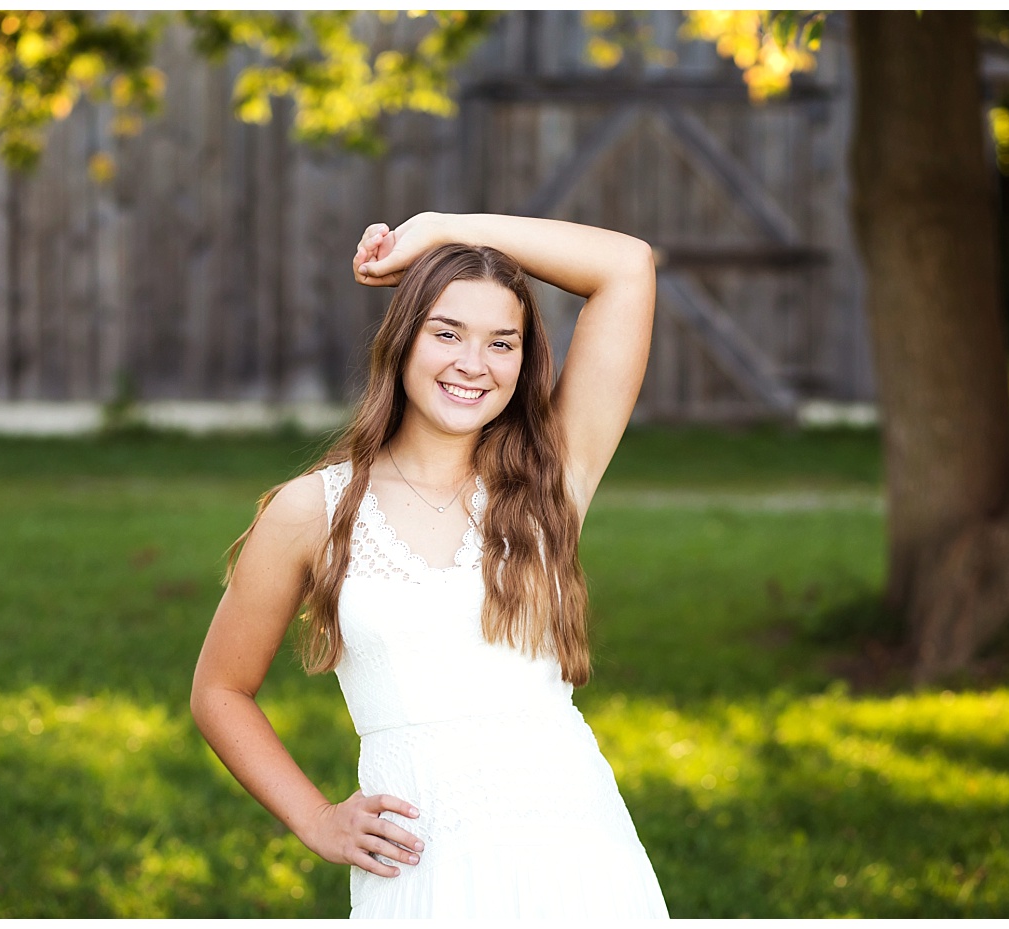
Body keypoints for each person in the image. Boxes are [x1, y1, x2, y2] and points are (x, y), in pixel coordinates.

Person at [190, 212, 667, 918]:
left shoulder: (549, 480)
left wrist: (443, 229)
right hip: (421, 867)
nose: (473, 364)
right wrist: (317, 819)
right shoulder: (313, 510)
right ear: (403, 341)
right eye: (447, 332)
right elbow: (220, 689)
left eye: (500, 342)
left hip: (579, 853)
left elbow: (626, 266)